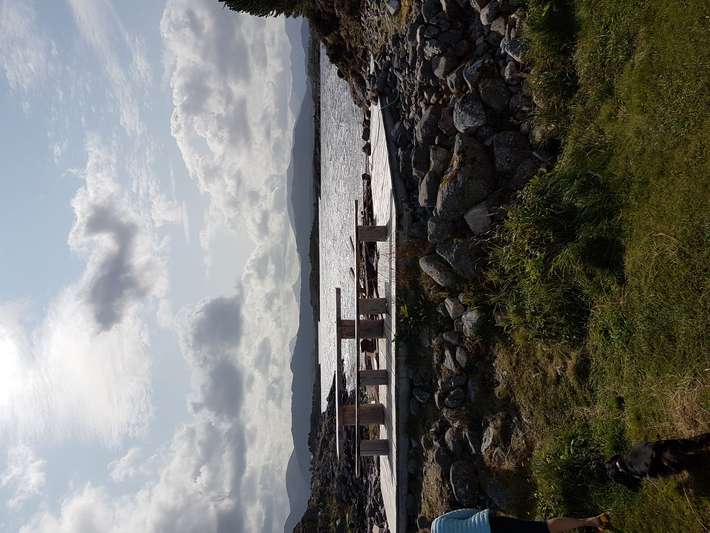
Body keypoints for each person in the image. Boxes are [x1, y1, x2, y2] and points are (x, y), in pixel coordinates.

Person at [606, 432, 710, 490]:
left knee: (697, 460)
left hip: (668, 462)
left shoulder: (633, 472)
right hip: (666, 447)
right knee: (694, 443)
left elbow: (649, 471)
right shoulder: (631, 452)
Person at [429, 508, 611, 533]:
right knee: (542, 528)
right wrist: (485, 515)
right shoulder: (437, 523)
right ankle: (591, 521)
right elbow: (466, 512)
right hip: (489, 522)